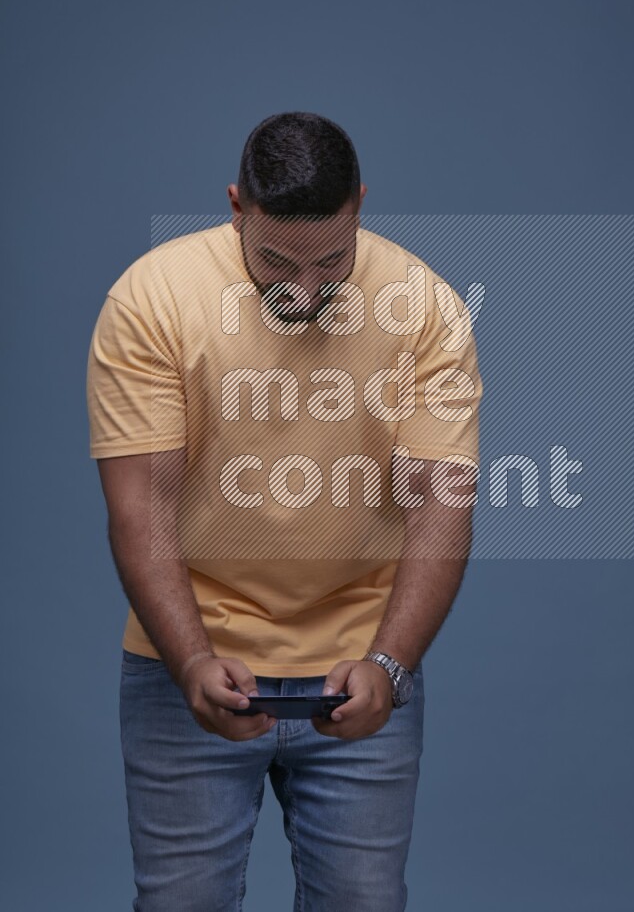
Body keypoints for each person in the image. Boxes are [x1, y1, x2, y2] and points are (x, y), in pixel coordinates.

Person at [86, 111, 482, 912]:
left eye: (333, 261)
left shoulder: (428, 308)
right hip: (184, 663)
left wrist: (391, 667)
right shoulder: (153, 299)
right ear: (236, 206)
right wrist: (192, 662)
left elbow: (442, 508)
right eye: (276, 263)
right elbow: (142, 508)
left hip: (361, 664)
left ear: (361, 205)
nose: (307, 292)